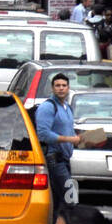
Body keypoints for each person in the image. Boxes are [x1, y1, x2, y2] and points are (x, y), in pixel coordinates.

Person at [35, 74, 82, 215]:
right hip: (53, 159)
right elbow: (43, 134)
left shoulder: (67, 107)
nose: (61, 88)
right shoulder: (48, 107)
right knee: (71, 198)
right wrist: (69, 139)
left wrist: (78, 139)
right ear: (52, 88)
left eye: (64, 85)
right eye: (57, 85)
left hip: (65, 159)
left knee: (58, 202)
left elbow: (68, 130)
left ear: (68, 88)